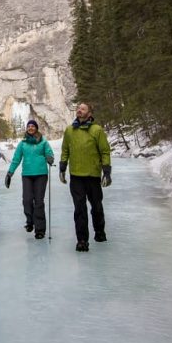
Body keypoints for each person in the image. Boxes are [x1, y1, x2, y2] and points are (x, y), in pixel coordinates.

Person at [59, 103, 111, 252]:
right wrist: (62, 168)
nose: (79, 111)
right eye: (78, 109)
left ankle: (99, 232)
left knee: (96, 207)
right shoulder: (69, 130)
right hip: (76, 176)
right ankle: (82, 240)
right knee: (79, 209)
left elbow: (105, 151)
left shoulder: (97, 130)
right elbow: (65, 150)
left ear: (89, 113)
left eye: (83, 109)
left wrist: (106, 171)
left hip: (93, 175)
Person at [5, 120, 54, 239]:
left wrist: (49, 158)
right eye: (29, 126)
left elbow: (50, 153)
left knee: (38, 202)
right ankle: (30, 221)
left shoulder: (43, 141)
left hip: (41, 174)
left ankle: (40, 229)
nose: (30, 128)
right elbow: (16, 159)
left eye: (33, 126)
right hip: (27, 175)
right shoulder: (23, 143)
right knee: (27, 200)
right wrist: (10, 173)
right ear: (26, 129)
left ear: (36, 128)